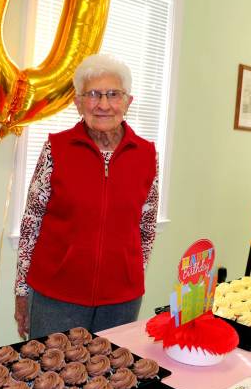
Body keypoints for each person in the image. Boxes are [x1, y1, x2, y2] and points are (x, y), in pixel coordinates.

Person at [14, 54, 159, 338]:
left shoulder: (146, 154)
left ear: (128, 102)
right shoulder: (56, 149)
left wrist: (128, 274)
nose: (103, 104)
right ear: (78, 103)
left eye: (113, 94)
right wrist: (22, 290)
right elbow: (32, 223)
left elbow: (147, 227)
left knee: (111, 379)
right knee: (50, 377)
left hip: (121, 301)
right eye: (93, 94)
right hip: (56, 297)